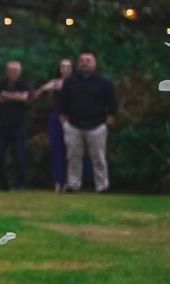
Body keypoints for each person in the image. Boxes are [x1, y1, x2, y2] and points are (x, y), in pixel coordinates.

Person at [58, 51, 118, 193]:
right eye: (82, 60)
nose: (84, 63)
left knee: (98, 158)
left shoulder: (104, 82)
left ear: (94, 63)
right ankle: (73, 184)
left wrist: (108, 121)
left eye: (88, 60)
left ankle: (102, 186)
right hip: (73, 125)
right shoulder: (70, 82)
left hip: (97, 126)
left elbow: (112, 104)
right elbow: (62, 103)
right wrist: (64, 122)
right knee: (73, 157)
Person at [0, 59, 32, 190]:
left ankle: (20, 183)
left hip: (18, 125)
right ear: (6, 71)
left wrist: (5, 95)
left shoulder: (23, 84)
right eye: (11, 70)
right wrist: (13, 96)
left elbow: (24, 98)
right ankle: (2, 184)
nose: (13, 73)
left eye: (16, 70)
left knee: (19, 156)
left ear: (20, 72)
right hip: (1, 125)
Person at [37, 57, 75, 193]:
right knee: (57, 151)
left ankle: (71, 182)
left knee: (72, 152)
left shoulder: (76, 83)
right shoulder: (56, 83)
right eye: (62, 67)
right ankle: (58, 182)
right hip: (56, 118)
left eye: (68, 67)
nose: (65, 69)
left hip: (72, 119)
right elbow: (37, 93)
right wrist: (43, 89)